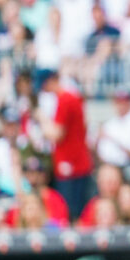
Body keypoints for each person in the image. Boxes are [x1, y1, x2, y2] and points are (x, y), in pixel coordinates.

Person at [35, 70, 92, 218]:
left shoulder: (66, 99)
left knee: (70, 213)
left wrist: (41, 118)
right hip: (72, 163)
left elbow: (56, 134)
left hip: (72, 165)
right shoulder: (69, 97)